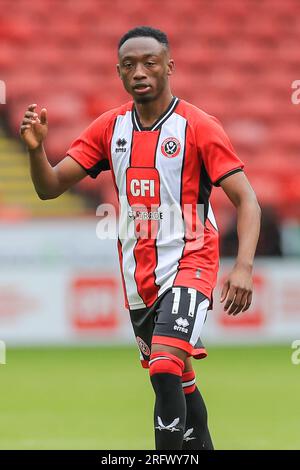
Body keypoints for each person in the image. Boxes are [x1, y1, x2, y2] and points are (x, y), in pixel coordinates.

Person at [20, 26, 261, 450]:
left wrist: (242, 267)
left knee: (165, 367)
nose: (140, 72)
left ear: (170, 66)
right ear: (118, 72)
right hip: (139, 277)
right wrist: (37, 149)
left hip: (192, 260)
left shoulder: (198, 126)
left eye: (150, 62)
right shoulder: (109, 128)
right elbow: (50, 187)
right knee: (178, 379)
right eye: (129, 65)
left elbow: (247, 200)